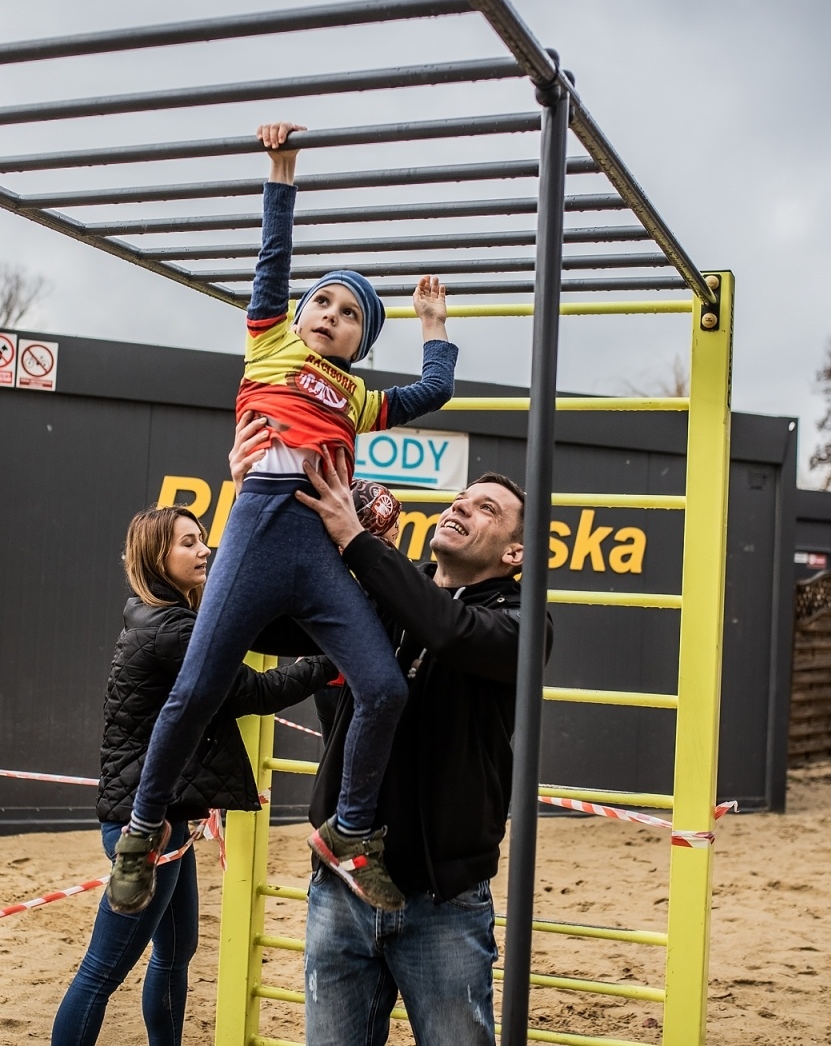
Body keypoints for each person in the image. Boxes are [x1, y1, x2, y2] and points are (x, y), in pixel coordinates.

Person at [110, 121, 458, 915]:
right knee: (194, 690)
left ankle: (349, 834)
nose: (330, 315)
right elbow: (272, 261)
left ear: (362, 341)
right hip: (261, 531)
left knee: (383, 689)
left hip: (320, 552)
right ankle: (140, 829)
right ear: (297, 317)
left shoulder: (363, 399)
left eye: (348, 315)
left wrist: (433, 326)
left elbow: (434, 392)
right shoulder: (268, 345)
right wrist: (282, 169)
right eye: (322, 303)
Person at [237, 417, 547, 1045]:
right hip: (341, 890)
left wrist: (356, 542)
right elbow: (266, 621)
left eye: (487, 509)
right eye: (461, 498)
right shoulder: (383, 593)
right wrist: (254, 505)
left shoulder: (523, 624)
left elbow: (449, 632)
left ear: (516, 554)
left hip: (442, 902)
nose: (462, 505)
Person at [51, 506, 335, 1046]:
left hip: (165, 819)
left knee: (176, 953)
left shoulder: (160, 616)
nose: (204, 549)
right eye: (188, 542)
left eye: (202, 539)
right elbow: (253, 692)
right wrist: (333, 654)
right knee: (101, 972)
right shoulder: (171, 630)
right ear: (158, 557)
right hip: (146, 826)